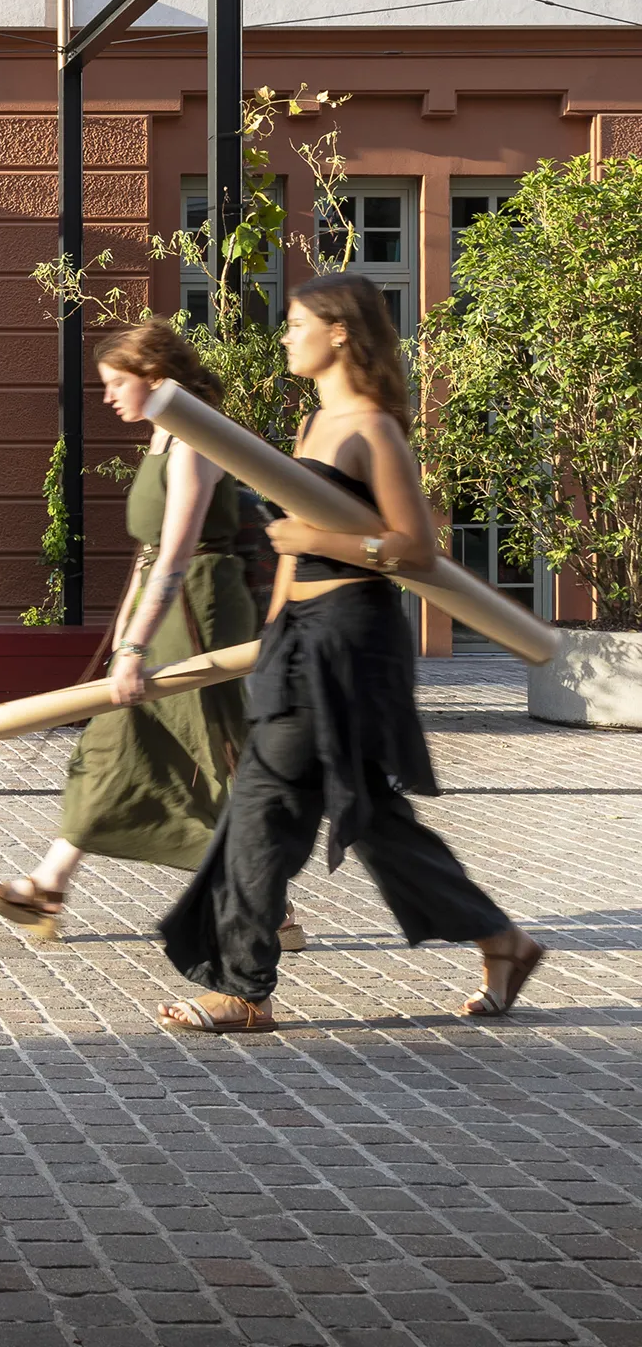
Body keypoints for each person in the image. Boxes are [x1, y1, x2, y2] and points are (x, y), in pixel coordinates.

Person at [155, 273, 545, 1033]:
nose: (285, 333)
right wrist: (270, 639)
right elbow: (292, 561)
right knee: (368, 812)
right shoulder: (311, 427)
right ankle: (502, 939)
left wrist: (319, 538)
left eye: (296, 321)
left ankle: (244, 986)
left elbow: (416, 548)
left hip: (353, 640)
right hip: (300, 639)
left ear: (339, 331)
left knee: (265, 803)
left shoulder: (372, 427)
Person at [0, 321, 286, 943]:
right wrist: (127, 638)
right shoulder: (164, 438)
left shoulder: (194, 442)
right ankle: (48, 886)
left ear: (156, 379)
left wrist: (136, 644)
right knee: (116, 740)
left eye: (117, 383)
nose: (108, 396)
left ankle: (268, 901)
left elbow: (175, 554)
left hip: (197, 612)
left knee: (211, 752)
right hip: (166, 608)